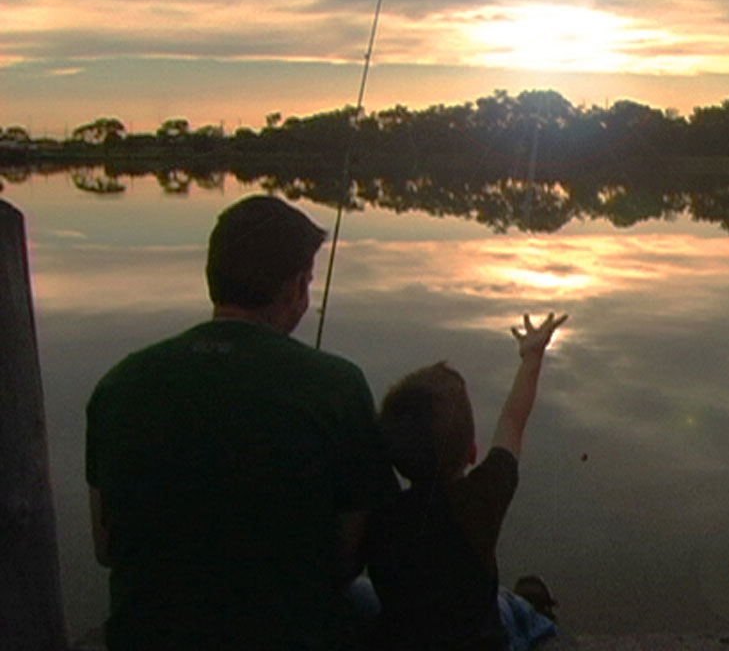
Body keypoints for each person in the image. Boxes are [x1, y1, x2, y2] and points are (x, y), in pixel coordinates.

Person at [85, 195, 399, 650]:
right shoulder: (337, 386)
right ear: (293, 287)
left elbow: (104, 548)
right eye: (308, 280)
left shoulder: (119, 383)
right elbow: (349, 556)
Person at [368, 312, 567, 651]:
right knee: (526, 618)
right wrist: (532, 357)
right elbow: (512, 421)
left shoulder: (379, 515)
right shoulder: (480, 500)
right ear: (472, 451)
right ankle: (536, 612)